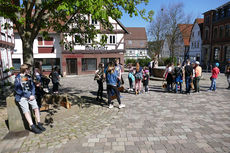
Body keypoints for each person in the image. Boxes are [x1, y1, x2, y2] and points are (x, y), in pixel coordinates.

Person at [14, 64, 46, 134]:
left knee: (36, 108)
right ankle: (32, 126)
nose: (29, 70)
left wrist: (33, 94)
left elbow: (32, 86)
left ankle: (39, 123)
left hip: (30, 96)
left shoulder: (27, 77)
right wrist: (28, 96)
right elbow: (19, 90)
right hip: (22, 97)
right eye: (28, 69)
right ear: (25, 70)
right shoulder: (19, 78)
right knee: (26, 111)